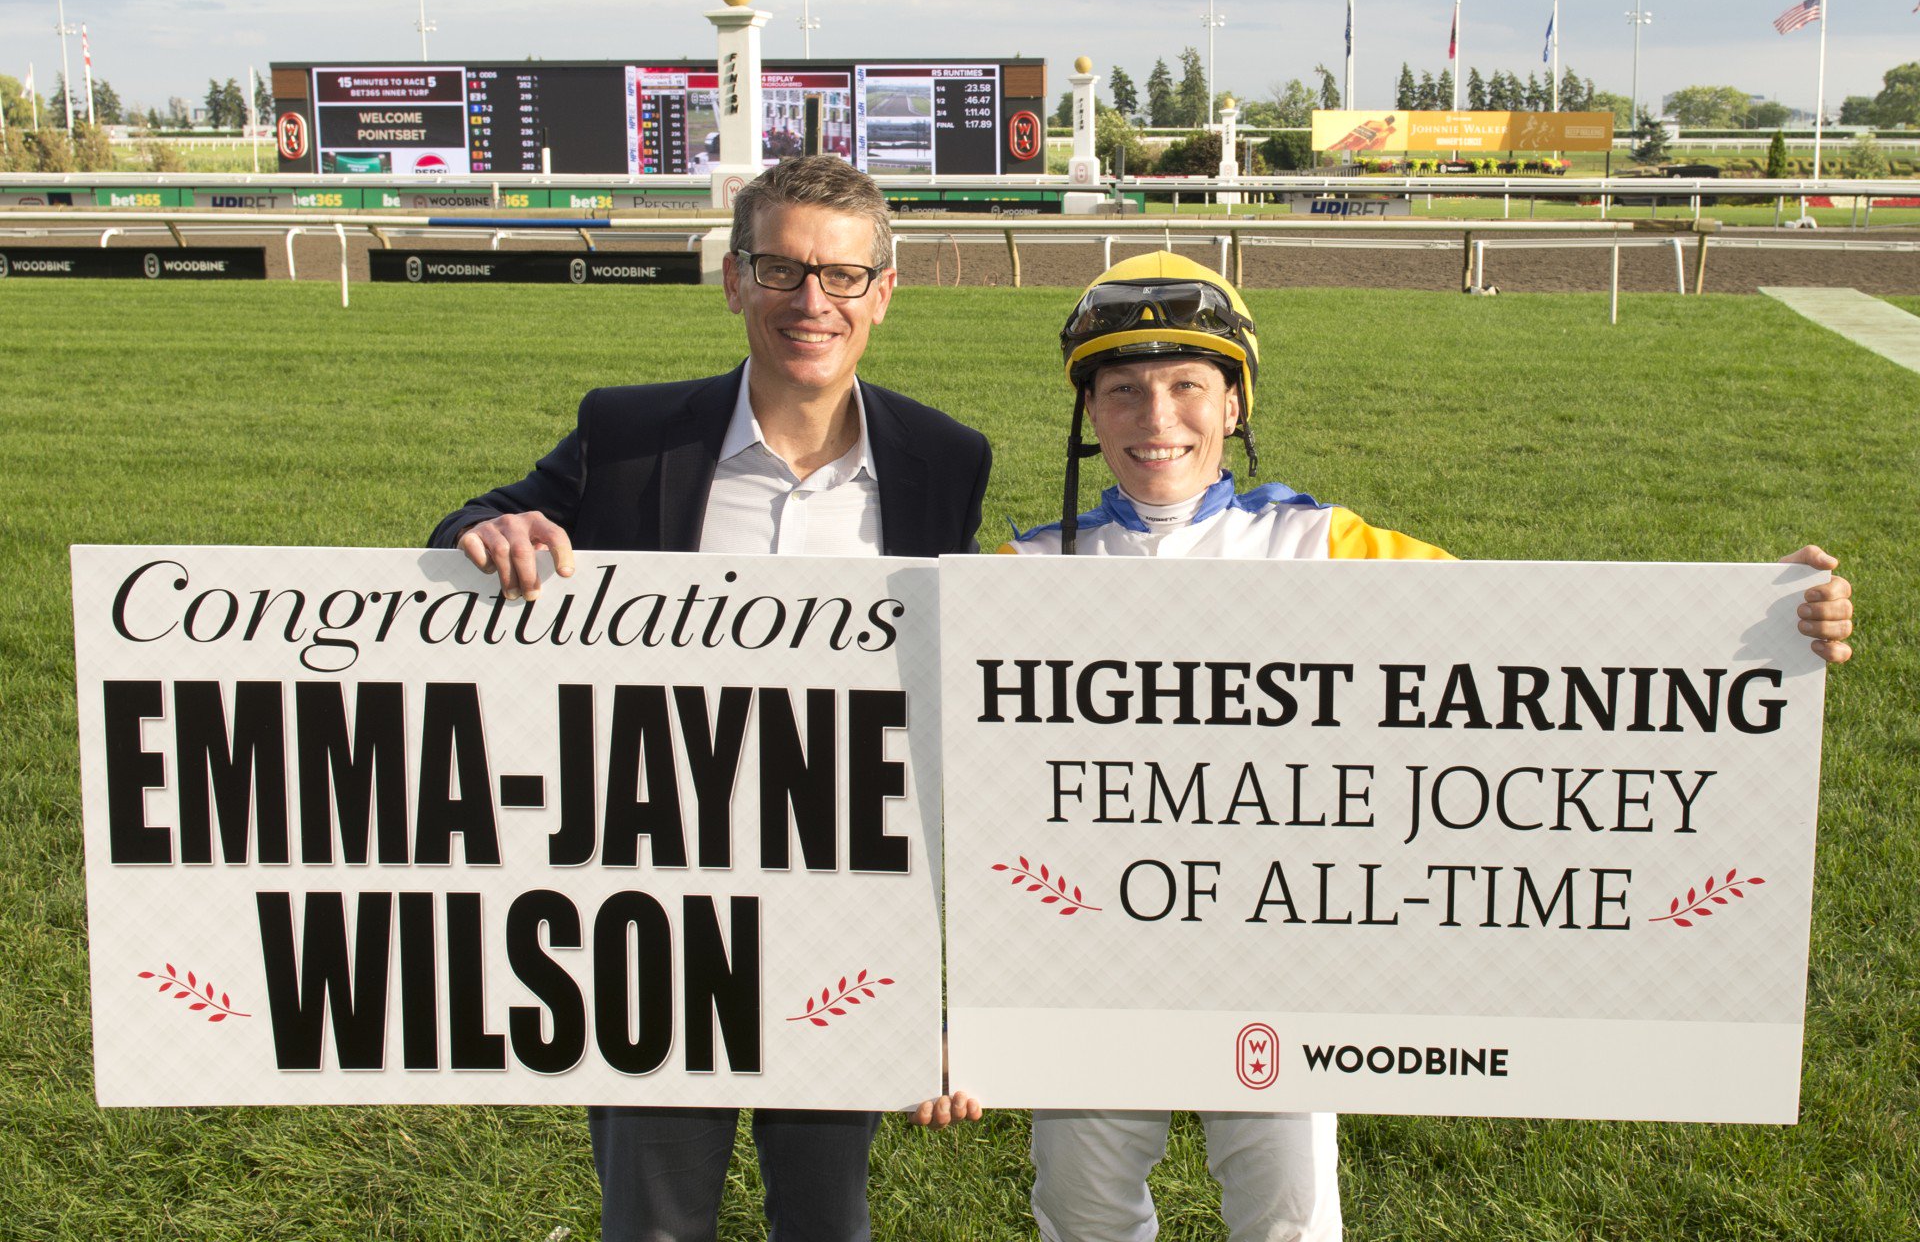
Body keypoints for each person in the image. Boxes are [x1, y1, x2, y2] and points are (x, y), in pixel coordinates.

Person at [1004, 251, 1855, 1242]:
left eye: (1189, 384)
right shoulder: (1024, 568)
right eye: (1124, 391)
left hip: (1279, 944)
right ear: (1089, 412)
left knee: (1289, 1211)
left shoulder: (1321, 542)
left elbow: (1534, 631)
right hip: (1095, 951)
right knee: (1080, 1207)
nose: (1158, 418)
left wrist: (1751, 614)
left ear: (1234, 404)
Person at [429, 154, 990, 1242]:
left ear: (883, 291)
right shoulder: (633, 436)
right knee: (652, 1216)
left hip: (841, 899)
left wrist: (942, 968)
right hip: (652, 905)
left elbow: (946, 705)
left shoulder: (941, 460)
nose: (809, 302)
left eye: (839, 275)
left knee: (828, 1214)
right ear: (732, 279)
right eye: (779, 269)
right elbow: (486, 517)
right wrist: (483, 529)